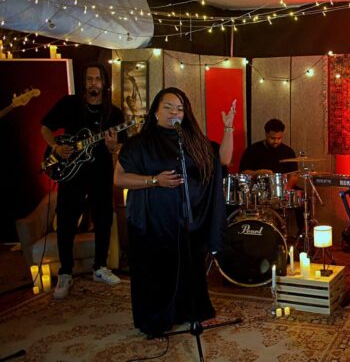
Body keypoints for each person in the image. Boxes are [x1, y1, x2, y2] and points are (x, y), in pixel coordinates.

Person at [114, 87, 226, 338]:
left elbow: (222, 160)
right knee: (156, 272)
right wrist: (155, 180)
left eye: (180, 108)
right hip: (152, 223)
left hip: (185, 222)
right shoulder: (139, 143)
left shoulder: (191, 141)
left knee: (188, 268)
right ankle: (156, 319)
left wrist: (227, 128)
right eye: (168, 107)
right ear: (155, 111)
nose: (174, 112)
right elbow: (119, 179)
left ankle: (188, 311)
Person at [40, 62, 125, 299]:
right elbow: (45, 128)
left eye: (97, 79)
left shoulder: (114, 114)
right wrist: (55, 147)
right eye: (89, 79)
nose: (93, 83)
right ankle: (65, 272)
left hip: (100, 174)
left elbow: (119, 147)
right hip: (70, 174)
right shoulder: (70, 104)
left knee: (104, 219)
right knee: (66, 221)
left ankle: (100, 267)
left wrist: (112, 146)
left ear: (104, 83)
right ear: (84, 82)